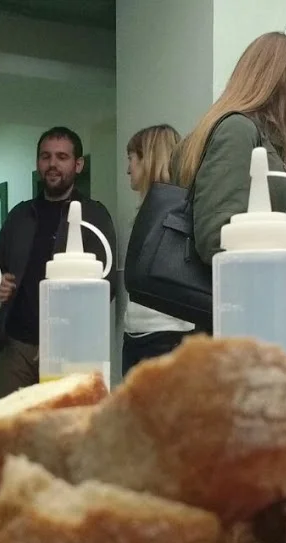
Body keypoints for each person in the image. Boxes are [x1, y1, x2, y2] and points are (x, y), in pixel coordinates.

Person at [174, 31, 286, 364]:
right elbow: (218, 234)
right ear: (277, 85)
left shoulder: (262, 139)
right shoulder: (238, 131)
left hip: (265, 324)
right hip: (257, 329)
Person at [0, 126, 118, 396]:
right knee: (11, 420)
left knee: (65, 417)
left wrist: (67, 331)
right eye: (46, 156)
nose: (52, 164)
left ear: (78, 165)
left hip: (70, 348)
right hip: (17, 346)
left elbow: (107, 284)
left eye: (62, 157)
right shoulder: (20, 215)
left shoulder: (94, 216)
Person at [121, 123, 193, 374]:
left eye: (131, 158)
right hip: (137, 333)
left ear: (147, 159)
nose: (128, 169)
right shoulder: (148, 213)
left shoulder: (181, 213)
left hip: (166, 337)